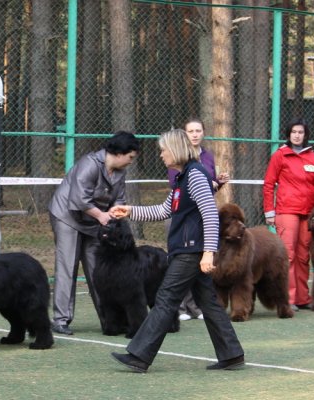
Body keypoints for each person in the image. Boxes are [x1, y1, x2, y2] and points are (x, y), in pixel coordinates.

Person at [109, 128, 244, 373]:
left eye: (163, 150)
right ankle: (232, 354)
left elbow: (210, 215)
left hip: (191, 251)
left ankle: (139, 355)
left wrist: (208, 253)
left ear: (175, 150)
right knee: (209, 303)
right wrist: (130, 211)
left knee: (165, 299)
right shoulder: (182, 178)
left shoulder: (195, 176)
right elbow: (163, 211)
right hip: (187, 249)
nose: (161, 155)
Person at [48, 131, 140, 335]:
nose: (131, 162)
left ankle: (109, 320)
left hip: (93, 222)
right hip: (67, 217)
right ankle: (61, 319)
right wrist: (101, 215)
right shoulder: (89, 164)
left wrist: (116, 211)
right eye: (130, 157)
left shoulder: (119, 172)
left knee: (98, 269)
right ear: (119, 153)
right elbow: (78, 199)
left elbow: (119, 198)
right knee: (67, 266)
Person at [263, 119, 314, 311]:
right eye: (294, 132)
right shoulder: (280, 155)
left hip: (309, 214)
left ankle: (303, 297)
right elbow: (269, 185)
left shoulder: (312, 156)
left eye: (300, 132)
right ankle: (287, 299)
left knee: (303, 256)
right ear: (289, 134)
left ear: (305, 135)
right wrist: (270, 212)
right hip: (286, 211)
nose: (297, 135)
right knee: (288, 255)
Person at [167, 118, 230, 322]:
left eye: (198, 130)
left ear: (203, 133)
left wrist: (217, 183)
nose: (195, 134)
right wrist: (133, 211)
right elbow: (175, 191)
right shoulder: (180, 161)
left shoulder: (204, 160)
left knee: (196, 273)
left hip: (199, 222)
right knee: (183, 269)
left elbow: (208, 207)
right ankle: (182, 307)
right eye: (191, 131)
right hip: (183, 220)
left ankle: (195, 307)